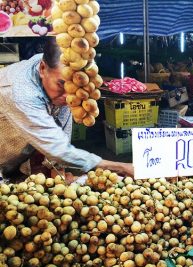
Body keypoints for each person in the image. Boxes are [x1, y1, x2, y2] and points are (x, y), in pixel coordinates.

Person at [0, 37, 134, 179]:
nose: (68, 96)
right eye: (60, 85)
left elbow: (60, 132)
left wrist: (59, 172)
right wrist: (120, 167)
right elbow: (56, 148)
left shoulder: (60, 67)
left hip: (16, 161)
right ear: (42, 68)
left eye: (74, 88)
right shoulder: (20, 91)